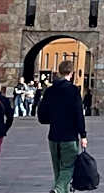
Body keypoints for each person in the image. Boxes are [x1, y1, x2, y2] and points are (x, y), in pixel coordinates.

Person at [38, 61, 88, 193]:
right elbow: (79, 114)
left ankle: (58, 189)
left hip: (53, 136)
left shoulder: (49, 91)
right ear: (71, 73)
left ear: (59, 72)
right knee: (68, 168)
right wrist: (83, 135)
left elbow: (42, 115)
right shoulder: (73, 90)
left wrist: (53, 119)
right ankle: (58, 190)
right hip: (69, 137)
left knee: (58, 170)